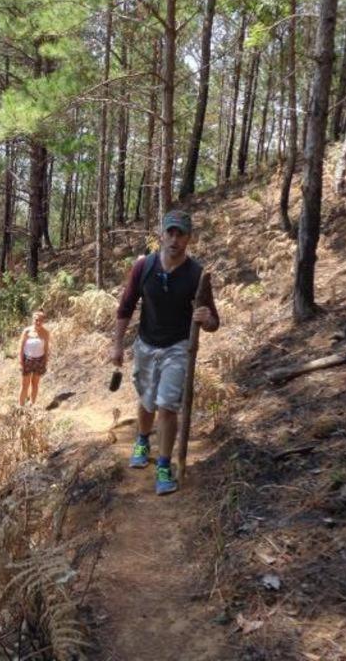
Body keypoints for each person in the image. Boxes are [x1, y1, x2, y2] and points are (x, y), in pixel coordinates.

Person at [110, 210, 220, 495]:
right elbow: (125, 307)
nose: (174, 239)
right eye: (170, 232)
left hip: (178, 347)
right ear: (162, 234)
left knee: (167, 404)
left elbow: (213, 323)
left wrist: (205, 318)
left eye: (180, 234)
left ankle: (163, 464)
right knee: (147, 402)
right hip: (146, 344)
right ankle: (143, 439)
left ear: (188, 238)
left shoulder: (197, 275)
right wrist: (118, 345)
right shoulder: (144, 267)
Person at [18, 310, 51, 408]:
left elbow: (46, 348)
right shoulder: (27, 331)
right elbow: (21, 346)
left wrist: (45, 362)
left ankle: (32, 405)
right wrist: (20, 361)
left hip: (39, 361)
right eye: (36, 320)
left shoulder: (45, 333)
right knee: (25, 384)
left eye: (41, 320)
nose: (38, 322)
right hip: (27, 360)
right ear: (33, 320)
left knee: (35, 384)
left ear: (43, 321)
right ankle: (21, 406)